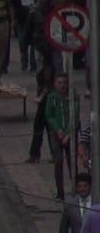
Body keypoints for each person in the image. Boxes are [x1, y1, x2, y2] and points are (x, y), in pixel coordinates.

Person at [46, 72, 79, 200]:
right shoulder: (51, 97)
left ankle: (76, 189)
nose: (62, 85)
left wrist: (68, 133)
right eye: (59, 83)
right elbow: (49, 115)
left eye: (64, 83)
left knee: (72, 163)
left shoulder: (73, 96)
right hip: (55, 134)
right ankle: (60, 192)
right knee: (58, 162)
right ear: (55, 84)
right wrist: (57, 129)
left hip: (70, 133)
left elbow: (75, 116)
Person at [26, 66, 56, 164]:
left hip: (47, 101)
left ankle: (35, 155)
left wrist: (40, 97)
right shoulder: (45, 65)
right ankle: (35, 154)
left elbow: (48, 85)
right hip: (45, 101)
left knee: (43, 127)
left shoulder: (48, 66)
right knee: (42, 127)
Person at [15, 0, 38, 71]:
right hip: (22, 13)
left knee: (33, 40)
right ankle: (24, 63)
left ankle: (33, 64)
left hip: (33, 12)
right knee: (23, 39)